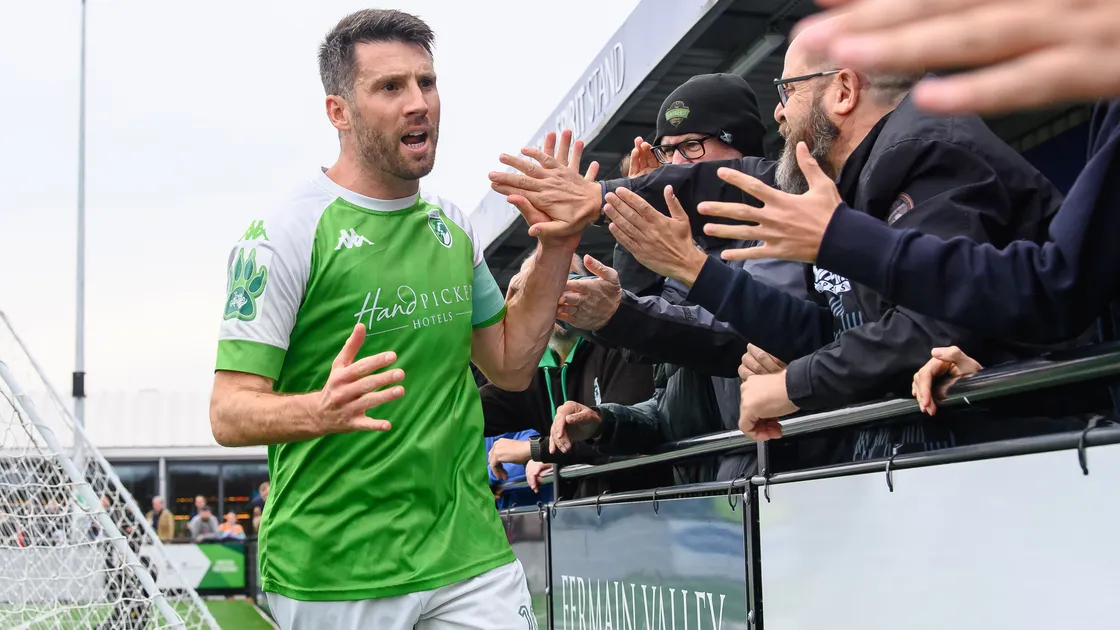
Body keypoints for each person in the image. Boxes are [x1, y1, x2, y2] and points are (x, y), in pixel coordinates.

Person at [496, 18, 1067, 458]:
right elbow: (826, 332)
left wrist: (793, 382)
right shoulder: (847, 182)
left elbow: (930, 326)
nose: (779, 111)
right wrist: (689, 266)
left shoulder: (922, 152)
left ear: (842, 90)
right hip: (922, 464)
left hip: (1030, 452)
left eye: (789, 90)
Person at [207, 10, 594, 629]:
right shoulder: (283, 234)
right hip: (334, 570)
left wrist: (556, 244)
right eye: (390, 87)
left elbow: (512, 365)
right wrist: (318, 410)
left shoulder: (450, 225)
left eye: (427, 83)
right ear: (338, 110)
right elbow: (228, 413)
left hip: (470, 555)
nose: (419, 104)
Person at [555, 74, 806, 480]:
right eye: (667, 151)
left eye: (691, 146)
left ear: (738, 145)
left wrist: (616, 313)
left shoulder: (778, 218)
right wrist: (605, 423)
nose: (675, 166)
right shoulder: (692, 243)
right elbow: (666, 396)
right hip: (706, 509)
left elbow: (734, 336)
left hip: (782, 487)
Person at [482, 252, 661, 498]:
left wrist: (535, 449)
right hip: (584, 517)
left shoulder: (619, 345)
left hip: (649, 506)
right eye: (536, 291)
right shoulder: (534, 370)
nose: (551, 301)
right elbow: (466, 409)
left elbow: (630, 432)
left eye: (561, 285)